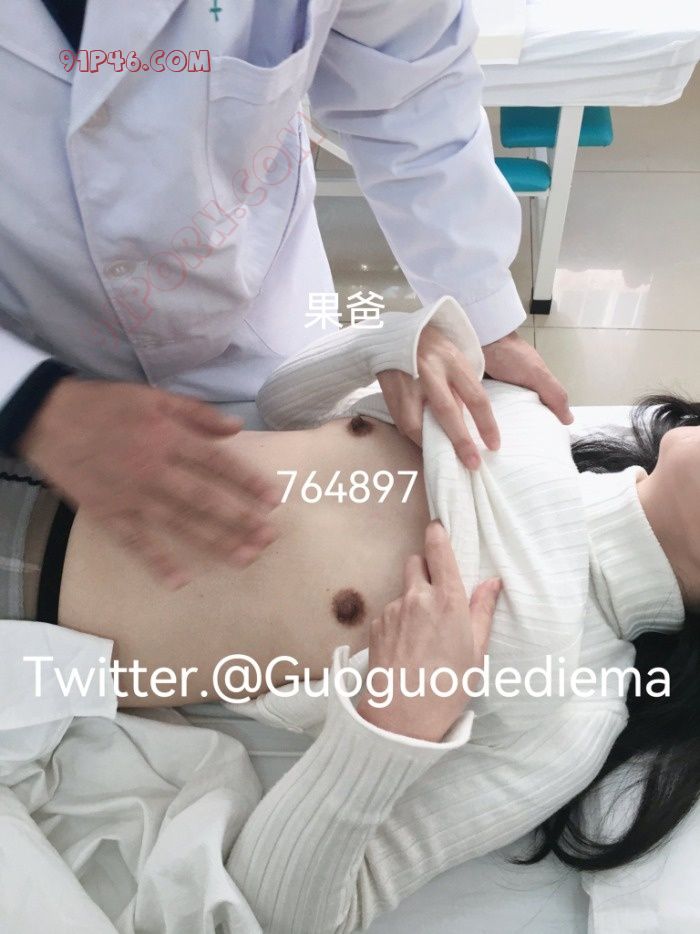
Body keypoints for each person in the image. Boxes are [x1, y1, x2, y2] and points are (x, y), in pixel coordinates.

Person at [4, 297, 699, 933]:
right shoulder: (524, 416)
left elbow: (290, 911)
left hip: (24, 612)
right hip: (44, 446)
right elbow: (279, 406)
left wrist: (390, 731)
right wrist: (391, 345)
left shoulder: (568, 706)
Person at [0, 0, 571, 591]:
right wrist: (25, 399)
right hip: (29, 329)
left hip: (252, 319)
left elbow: (408, 87)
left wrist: (480, 314)